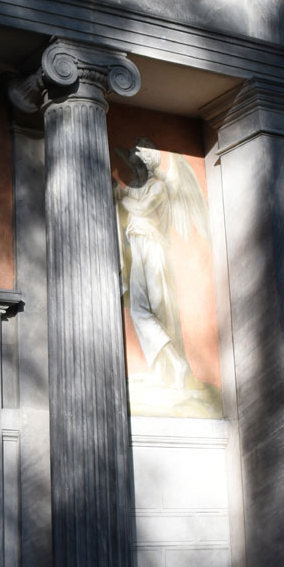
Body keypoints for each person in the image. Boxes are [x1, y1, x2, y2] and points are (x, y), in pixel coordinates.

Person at [113, 140, 208, 390]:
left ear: (146, 164)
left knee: (157, 310)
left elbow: (140, 208)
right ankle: (169, 366)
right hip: (138, 247)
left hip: (154, 249)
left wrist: (122, 197)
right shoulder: (139, 187)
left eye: (136, 164)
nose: (133, 171)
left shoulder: (159, 188)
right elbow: (124, 193)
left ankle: (174, 367)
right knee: (140, 310)